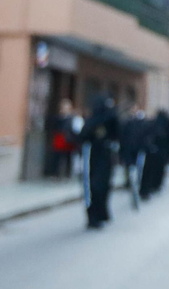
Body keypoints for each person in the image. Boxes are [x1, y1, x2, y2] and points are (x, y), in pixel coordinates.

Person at [80, 95, 120, 229]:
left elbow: (118, 133)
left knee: (105, 186)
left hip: (107, 156)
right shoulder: (92, 120)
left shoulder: (111, 119)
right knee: (94, 186)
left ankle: (102, 213)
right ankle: (93, 216)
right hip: (93, 156)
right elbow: (84, 134)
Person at [45, 98, 79, 178]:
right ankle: (55, 174)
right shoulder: (58, 117)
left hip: (68, 139)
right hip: (59, 138)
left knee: (67, 157)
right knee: (57, 156)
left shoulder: (72, 118)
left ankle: (67, 174)